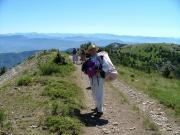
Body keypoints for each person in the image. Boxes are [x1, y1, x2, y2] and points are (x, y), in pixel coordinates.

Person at [82, 44, 109, 118]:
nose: (92, 51)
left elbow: (106, 66)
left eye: (93, 49)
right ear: (90, 51)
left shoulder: (100, 57)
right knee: (94, 93)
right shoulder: (90, 58)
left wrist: (99, 71)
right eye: (91, 50)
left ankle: (100, 111)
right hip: (92, 78)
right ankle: (97, 107)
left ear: (96, 50)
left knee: (99, 94)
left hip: (99, 78)